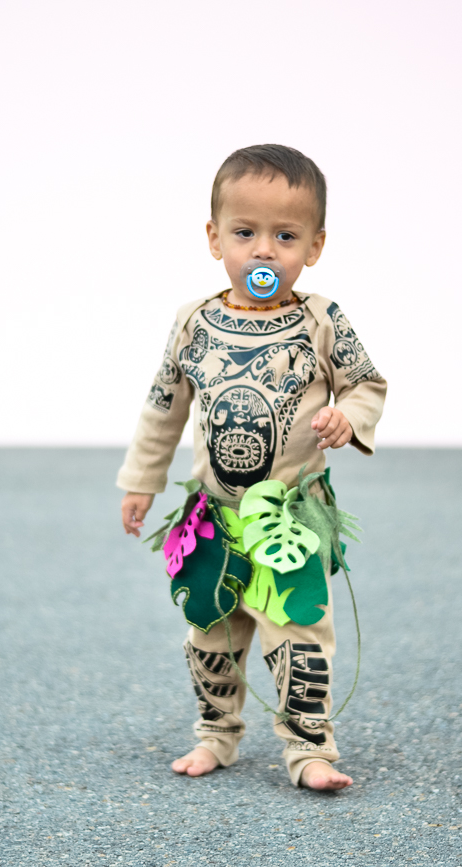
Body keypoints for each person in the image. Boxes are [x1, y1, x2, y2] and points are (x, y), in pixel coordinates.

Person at [117, 145, 387, 791]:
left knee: (299, 634)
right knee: (209, 629)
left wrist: (349, 418)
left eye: (285, 236)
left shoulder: (322, 321)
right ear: (215, 239)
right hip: (213, 516)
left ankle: (309, 749)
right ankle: (215, 733)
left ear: (314, 247)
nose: (264, 251)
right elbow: (163, 408)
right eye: (245, 233)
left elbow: (367, 384)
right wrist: (140, 482)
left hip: (291, 518)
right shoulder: (195, 324)